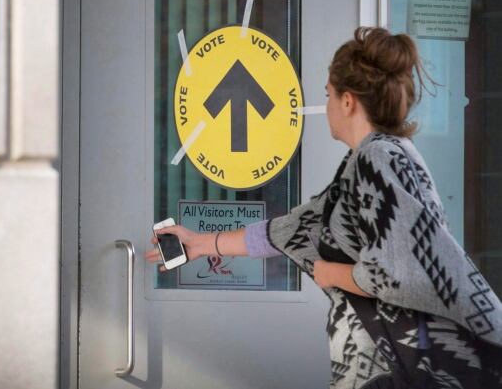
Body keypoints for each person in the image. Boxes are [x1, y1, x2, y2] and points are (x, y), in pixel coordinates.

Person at [145, 27, 502, 389]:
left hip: (408, 368)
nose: (327, 105)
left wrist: (331, 273)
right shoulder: (374, 160)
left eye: (328, 95)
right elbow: (291, 230)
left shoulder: (378, 158)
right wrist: (200, 244)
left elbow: (392, 272)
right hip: (392, 364)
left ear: (348, 102)